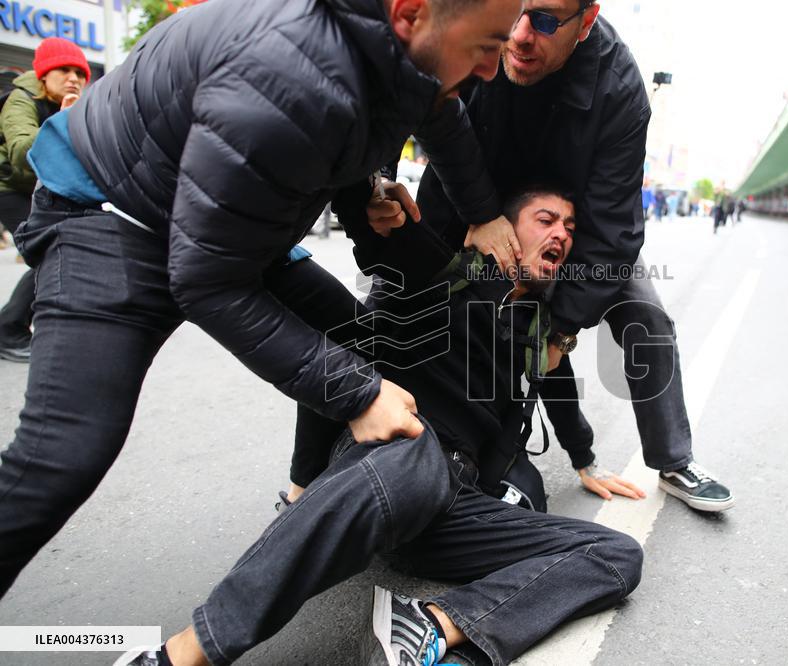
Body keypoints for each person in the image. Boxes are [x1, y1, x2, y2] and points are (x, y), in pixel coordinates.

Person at [0, 0, 523, 598]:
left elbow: (439, 116)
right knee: (64, 455)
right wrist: (360, 396)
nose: (490, 69)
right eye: (486, 45)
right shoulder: (287, 77)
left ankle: (303, 490)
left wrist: (472, 214)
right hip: (114, 216)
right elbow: (206, 281)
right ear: (409, 14)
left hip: (221, 220)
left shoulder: (398, 49)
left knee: (356, 340)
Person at [121, 189, 643, 666]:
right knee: (414, 456)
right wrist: (368, 196)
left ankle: (435, 623)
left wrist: (585, 461)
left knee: (618, 554)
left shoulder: (537, 332)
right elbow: (381, 233)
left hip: (455, 505)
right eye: (546, 220)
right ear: (502, 231)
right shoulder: (448, 274)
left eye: (570, 230)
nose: (561, 235)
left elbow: (563, 402)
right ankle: (182, 655)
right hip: (403, 452)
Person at [285, 0, 734, 514]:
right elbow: (407, 83)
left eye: (544, 21)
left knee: (640, 310)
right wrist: (377, 179)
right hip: (463, 193)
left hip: (553, 216)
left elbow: (614, 224)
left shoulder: (621, 89)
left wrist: (559, 330)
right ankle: (311, 474)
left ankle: (674, 457)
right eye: (514, 12)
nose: (519, 36)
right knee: (382, 313)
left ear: (585, 23)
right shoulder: (481, 21)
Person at [0, 37, 89, 362]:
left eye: (79, 73)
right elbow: (23, 152)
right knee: (47, 253)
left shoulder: (72, 105)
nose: (73, 79)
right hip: (8, 186)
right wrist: (62, 123)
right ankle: (9, 329)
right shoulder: (20, 100)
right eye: (64, 70)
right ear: (43, 75)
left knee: (71, 249)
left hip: (45, 189)